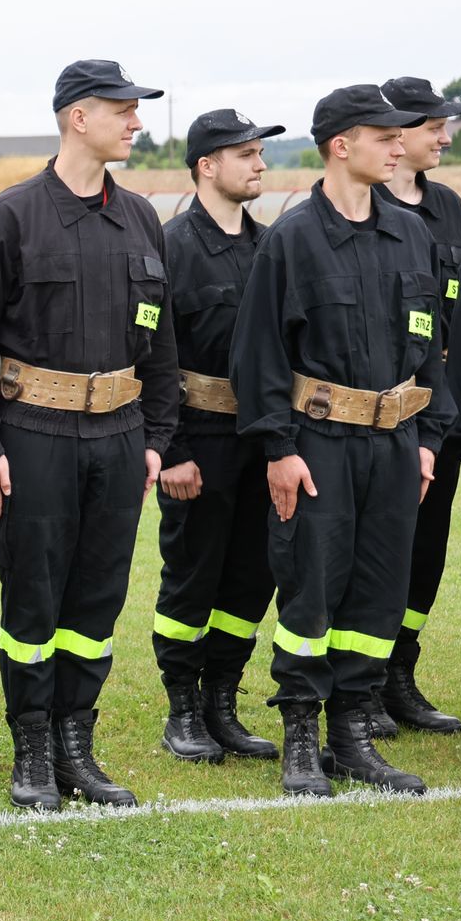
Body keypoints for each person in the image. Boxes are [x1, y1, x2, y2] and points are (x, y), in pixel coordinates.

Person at [0, 60, 179, 811]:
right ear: (79, 117)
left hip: (119, 435)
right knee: (34, 594)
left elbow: (163, 341)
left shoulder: (141, 218)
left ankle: (76, 742)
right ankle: (33, 747)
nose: (136, 122)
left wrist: (155, 437)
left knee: (98, 594)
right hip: (32, 434)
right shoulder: (8, 218)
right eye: (124, 110)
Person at [230, 84, 447, 797]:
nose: (398, 145)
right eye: (383, 135)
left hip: (395, 443)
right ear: (339, 145)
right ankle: (301, 735)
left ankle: (354, 734)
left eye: (399, 135)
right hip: (316, 442)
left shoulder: (411, 234)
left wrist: (426, 438)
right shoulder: (292, 239)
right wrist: (278, 448)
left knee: (379, 592)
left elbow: (430, 348)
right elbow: (258, 353)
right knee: (311, 590)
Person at [148, 110, 286, 764]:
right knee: (192, 576)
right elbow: (148, 355)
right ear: (207, 165)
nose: (259, 164)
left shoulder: (269, 247)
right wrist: (169, 450)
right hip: (196, 437)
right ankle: (183, 709)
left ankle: (222, 702)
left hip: (261, 439)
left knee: (251, 576)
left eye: (260, 153)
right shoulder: (171, 247)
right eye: (246, 154)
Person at [372, 77, 461, 735]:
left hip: (442, 404)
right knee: (377, 546)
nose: (446, 136)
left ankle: (399, 674)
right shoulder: (359, 205)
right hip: (379, 408)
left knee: (428, 549)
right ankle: (358, 680)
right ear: (398, 133)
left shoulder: (449, 206)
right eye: (434, 126)